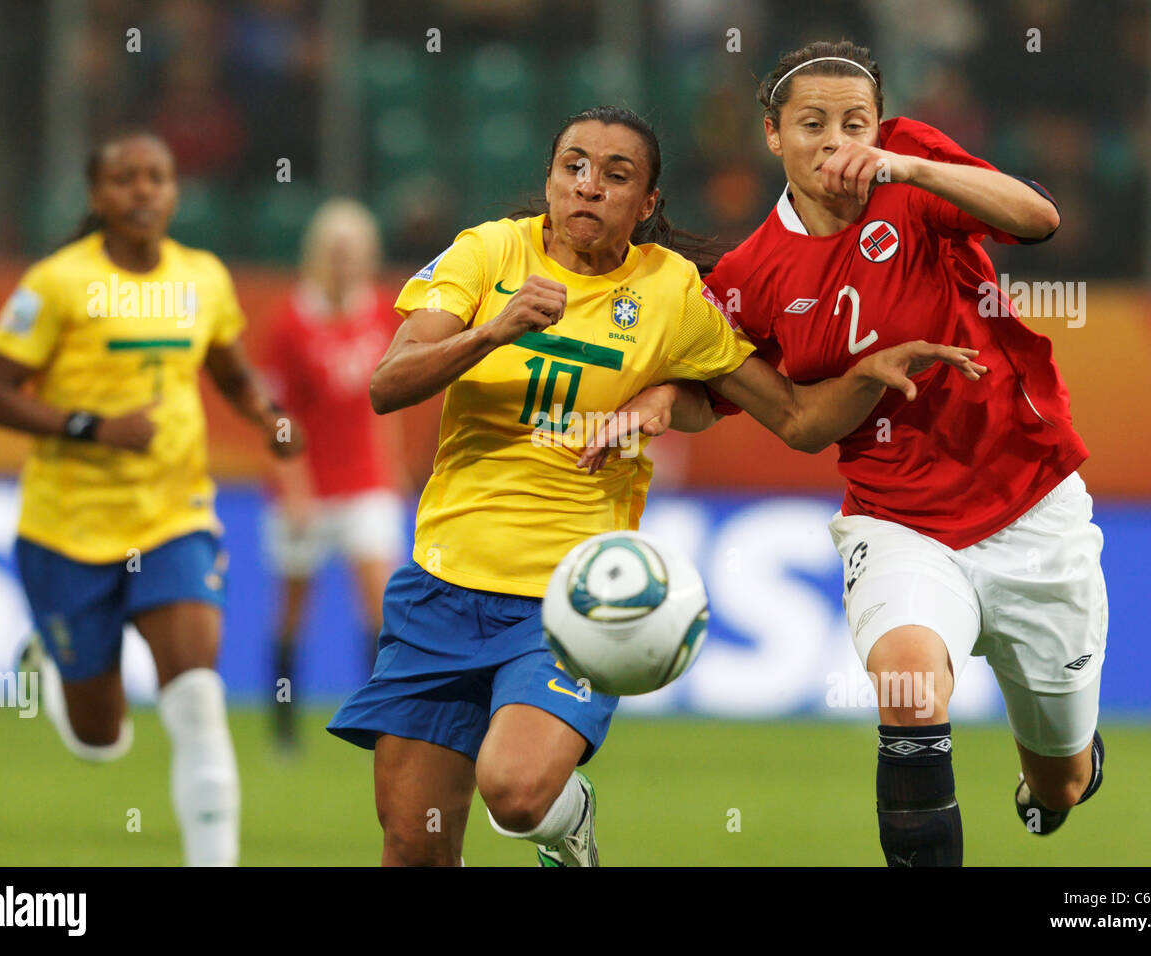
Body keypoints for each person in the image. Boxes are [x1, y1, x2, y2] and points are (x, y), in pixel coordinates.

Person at [326, 105, 984, 867]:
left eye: (616, 175)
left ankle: (566, 821)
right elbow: (386, 385)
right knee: (413, 846)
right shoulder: (487, 254)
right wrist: (491, 332)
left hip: (574, 601)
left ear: (646, 206)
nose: (588, 187)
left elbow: (796, 418)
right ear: (547, 181)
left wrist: (865, 376)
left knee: (514, 791)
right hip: (440, 587)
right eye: (573, 166)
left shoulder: (670, 294)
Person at [600, 41, 1107, 867]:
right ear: (772, 135)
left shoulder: (910, 174)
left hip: (1029, 504)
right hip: (899, 518)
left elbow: (1037, 219)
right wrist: (662, 402)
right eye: (812, 125)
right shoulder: (751, 275)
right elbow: (765, 409)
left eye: (854, 123)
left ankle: (1062, 777)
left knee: (1062, 783)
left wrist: (914, 170)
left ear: (879, 125)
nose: (838, 142)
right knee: (909, 696)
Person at [0, 129, 301, 866]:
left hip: (171, 516)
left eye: (157, 177)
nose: (144, 191)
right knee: (102, 741)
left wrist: (266, 415)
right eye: (125, 179)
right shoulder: (54, 283)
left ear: (175, 192)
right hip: (68, 528)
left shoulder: (204, 278)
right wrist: (92, 426)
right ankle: (63, 673)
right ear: (97, 195)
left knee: (196, 701)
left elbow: (229, 367)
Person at [260, 198, 404, 752]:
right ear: (317, 255)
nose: (345, 262)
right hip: (308, 486)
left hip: (365, 482)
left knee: (380, 602)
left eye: (354, 251)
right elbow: (277, 416)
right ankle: (283, 725)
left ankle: (379, 722)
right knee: (293, 609)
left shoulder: (380, 313)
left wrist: (390, 473)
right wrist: (294, 489)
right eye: (335, 251)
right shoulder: (292, 322)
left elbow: (385, 402)